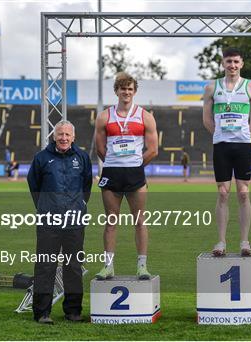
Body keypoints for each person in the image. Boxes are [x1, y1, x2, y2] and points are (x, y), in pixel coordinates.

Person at [94, 72, 158, 280]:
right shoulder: (104, 116)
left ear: (135, 91)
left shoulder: (145, 117)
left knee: (139, 221)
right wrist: (115, 163)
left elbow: (153, 149)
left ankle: (142, 266)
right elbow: (100, 148)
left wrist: (135, 165)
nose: (126, 93)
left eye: (130, 89)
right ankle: (108, 266)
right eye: (123, 89)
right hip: (112, 174)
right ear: (116, 91)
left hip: (135, 175)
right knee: (111, 221)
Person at [27, 120, 92, 324]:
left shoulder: (82, 157)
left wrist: (78, 205)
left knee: (73, 266)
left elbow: (87, 185)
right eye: (60, 134)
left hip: (74, 220)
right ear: (54, 136)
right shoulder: (41, 158)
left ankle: (73, 311)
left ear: (73, 137)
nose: (63, 138)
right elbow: (34, 185)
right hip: (49, 221)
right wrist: (46, 206)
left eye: (67, 134)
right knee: (46, 265)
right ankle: (42, 312)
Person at [202, 47, 251, 257]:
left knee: (244, 193)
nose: (232, 65)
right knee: (223, 193)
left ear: (242, 63)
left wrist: (245, 135)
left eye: (236, 62)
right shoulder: (211, 88)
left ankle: (245, 241)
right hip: (221, 145)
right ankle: (221, 241)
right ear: (223, 63)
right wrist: (219, 133)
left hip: (243, 145)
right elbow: (206, 119)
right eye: (229, 62)